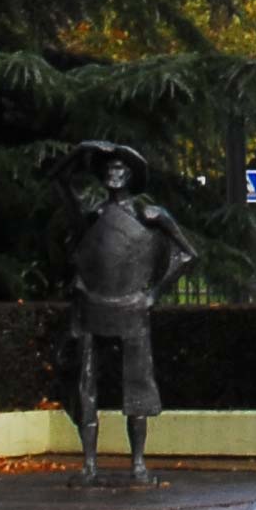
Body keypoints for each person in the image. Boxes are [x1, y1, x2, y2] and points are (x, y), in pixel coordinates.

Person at [62, 142, 195, 486]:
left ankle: (138, 463)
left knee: (137, 388)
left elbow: (187, 255)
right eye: (108, 168)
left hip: (132, 309)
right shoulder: (94, 215)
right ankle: (89, 464)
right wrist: (82, 151)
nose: (113, 173)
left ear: (132, 175)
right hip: (93, 306)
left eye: (120, 168)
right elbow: (61, 184)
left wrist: (153, 292)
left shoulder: (150, 216)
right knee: (85, 385)